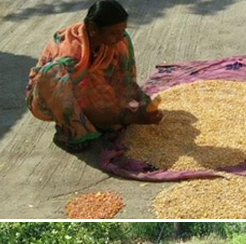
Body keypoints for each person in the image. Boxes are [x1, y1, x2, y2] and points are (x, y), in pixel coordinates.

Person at [26, 0, 162, 153]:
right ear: (92, 29)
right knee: (54, 74)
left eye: (122, 30)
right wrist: (125, 117)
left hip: (88, 87)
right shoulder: (71, 53)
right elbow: (79, 101)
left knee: (117, 118)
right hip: (54, 96)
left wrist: (143, 100)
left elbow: (126, 81)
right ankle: (68, 131)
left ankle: (97, 120)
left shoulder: (119, 40)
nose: (119, 36)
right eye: (113, 33)